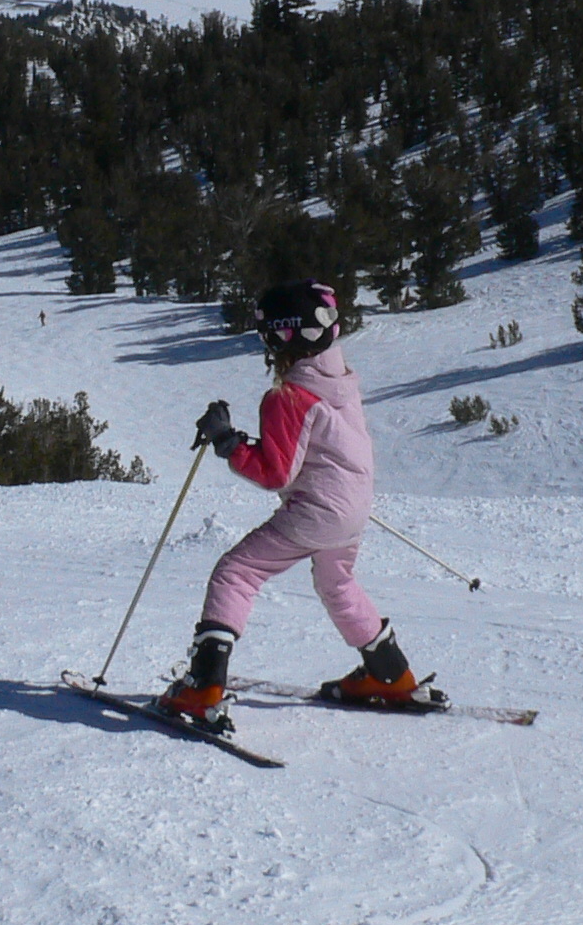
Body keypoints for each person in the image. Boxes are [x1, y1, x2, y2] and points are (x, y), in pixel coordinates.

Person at [156, 280, 421, 723]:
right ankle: (390, 674)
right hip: (353, 507)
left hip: (317, 511)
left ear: (279, 337)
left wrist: (227, 442)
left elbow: (276, 472)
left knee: (237, 572)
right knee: (337, 585)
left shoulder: (289, 397)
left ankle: (202, 689)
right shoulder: (340, 382)